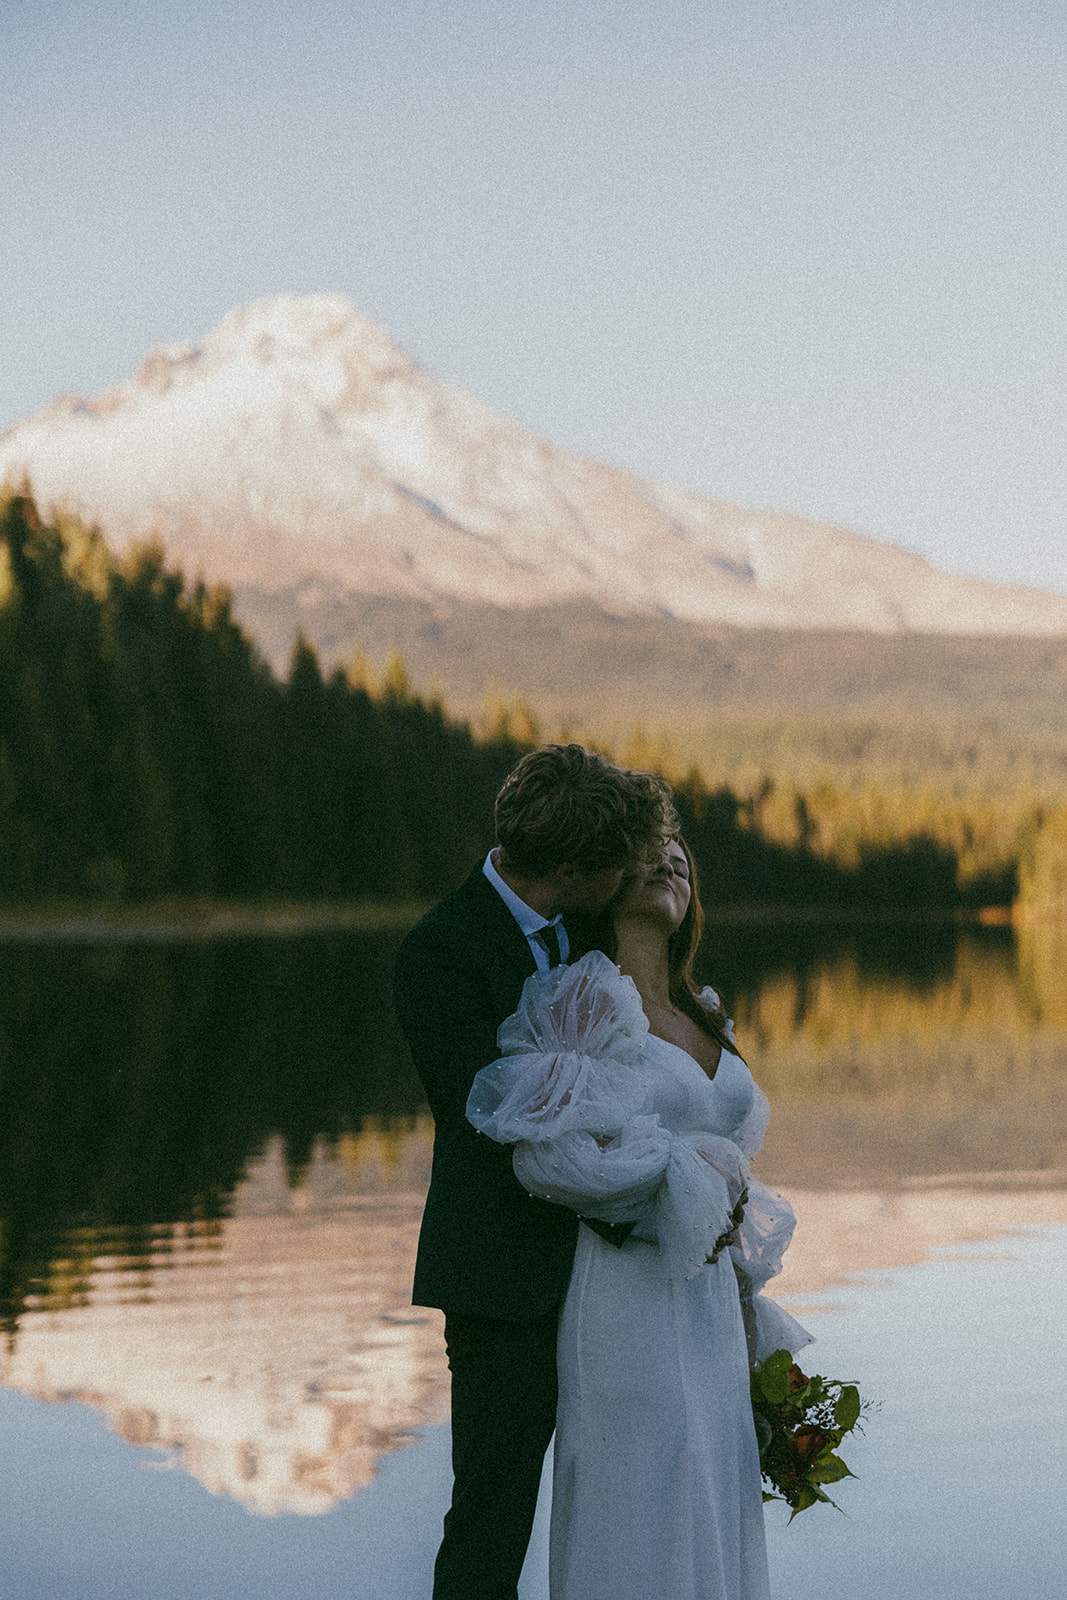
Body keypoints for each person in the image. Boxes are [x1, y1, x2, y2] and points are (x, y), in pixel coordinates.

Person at [467, 837, 812, 1600]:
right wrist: (685, 1194)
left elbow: (730, 1166)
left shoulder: (704, 1009)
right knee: (644, 1481)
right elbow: (551, 1159)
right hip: (623, 1287)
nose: (669, 864)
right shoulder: (580, 1000)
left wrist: (744, 1284)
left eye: (682, 859)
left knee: (713, 1482)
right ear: (605, 880)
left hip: (709, 1301)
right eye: (649, 854)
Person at [393, 743, 676, 1600]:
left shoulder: (597, 927)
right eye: (617, 867)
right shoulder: (441, 951)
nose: (629, 879)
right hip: (502, 1282)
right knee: (493, 1510)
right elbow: (492, 1119)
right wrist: (647, 1186)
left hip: (615, 1284)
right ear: (569, 867)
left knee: (633, 1494)